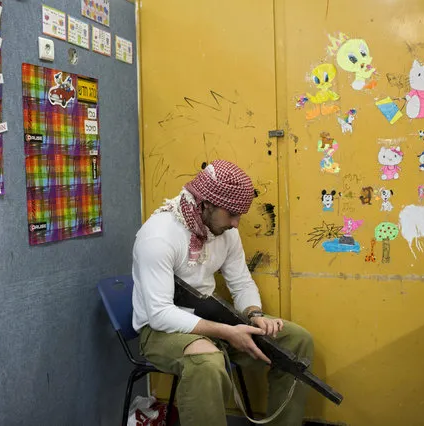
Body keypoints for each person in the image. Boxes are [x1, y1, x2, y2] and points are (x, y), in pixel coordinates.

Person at [132, 160, 314, 426]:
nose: (237, 223)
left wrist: (254, 315)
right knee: (206, 363)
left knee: (296, 341)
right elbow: (159, 314)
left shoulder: (225, 231)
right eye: (231, 214)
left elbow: (241, 281)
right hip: (161, 330)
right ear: (205, 203)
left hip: (213, 320)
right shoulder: (158, 236)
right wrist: (227, 332)